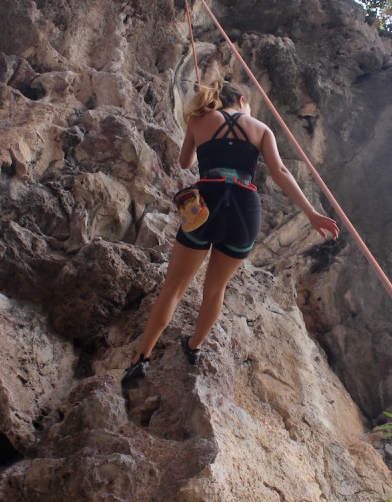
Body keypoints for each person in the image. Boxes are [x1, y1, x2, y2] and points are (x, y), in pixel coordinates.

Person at [121, 79, 339, 389]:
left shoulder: (199, 121)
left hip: (205, 204)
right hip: (244, 210)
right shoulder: (261, 129)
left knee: (174, 288)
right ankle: (194, 346)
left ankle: (140, 361)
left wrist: (202, 142)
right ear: (240, 100)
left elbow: (185, 163)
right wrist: (311, 213)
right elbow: (280, 172)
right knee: (215, 289)